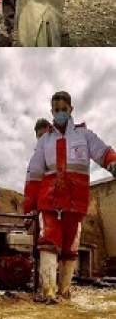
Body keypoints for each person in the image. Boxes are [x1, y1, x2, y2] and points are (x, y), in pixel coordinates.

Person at [23, 91, 116, 303]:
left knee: (70, 248)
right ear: (51, 112)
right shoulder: (44, 141)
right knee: (48, 241)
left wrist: (113, 163)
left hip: (75, 203)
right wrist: (29, 205)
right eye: (56, 110)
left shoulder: (85, 136)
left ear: (71, 109)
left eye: (64, 109)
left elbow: (103, 152)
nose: (60, 113)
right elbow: (34, 173)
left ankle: (64, 292)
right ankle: (48, 293)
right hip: (49, 200)